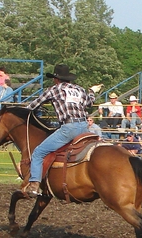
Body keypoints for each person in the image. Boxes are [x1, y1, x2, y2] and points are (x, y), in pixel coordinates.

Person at [23, 64, 98, 197]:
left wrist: (22, 111)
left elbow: (33, 105)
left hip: (69, 128)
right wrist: (91, 91)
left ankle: (34, 185)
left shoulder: (54, 90)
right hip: (85, 127)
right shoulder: (79, 90)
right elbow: (90, 103)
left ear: (56, 79)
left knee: (38, 152)